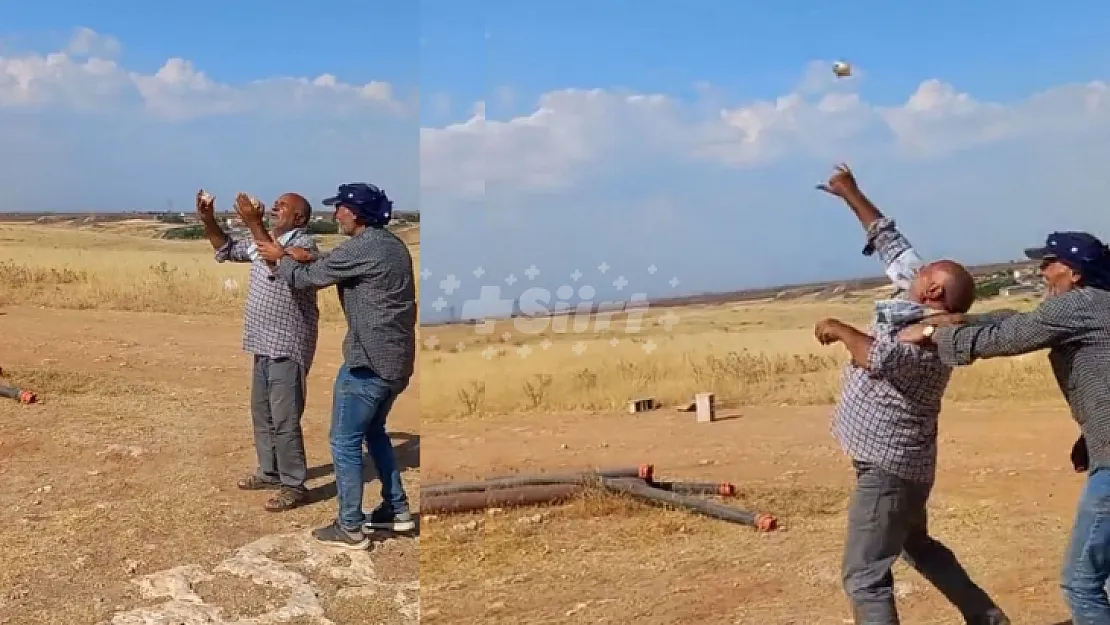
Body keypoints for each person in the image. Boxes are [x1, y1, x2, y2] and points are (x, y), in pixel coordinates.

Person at [813, 164, 1009, 625]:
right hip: (902, 466)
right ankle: (989, 619)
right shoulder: (919, 308)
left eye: (924, 274)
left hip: (889, 470)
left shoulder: (931, 342)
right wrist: (850, 192)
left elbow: (875, 357)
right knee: (917, 547)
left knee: (864, 576)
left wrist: (840, 328)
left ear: (935, 289)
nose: (914, 272)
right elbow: (890, 240)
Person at [898, 231, 1110, 625]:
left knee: (1081, 584)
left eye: (1050, 262)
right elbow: (1025, 320)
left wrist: (932, 333)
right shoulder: (1097, 303)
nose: (1042, 269)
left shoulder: (1079, 305)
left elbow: (1008, 337)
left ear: (1075, 273)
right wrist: (964, 319)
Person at [255, 182, 417, 549]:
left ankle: (350, 526)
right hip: (397, 362)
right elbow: (333, 262)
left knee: (344, 442)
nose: (335, 214)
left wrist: (278, 257)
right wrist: (304, 255)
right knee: (375, 434)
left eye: (340, 209)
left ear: (355, 213)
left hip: (366, 363)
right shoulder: (390, 245)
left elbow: (307, 280)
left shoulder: (362, 247)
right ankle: (397, 510)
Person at [197, 190, 320, 512]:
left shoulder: (304, 244)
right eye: (277, 202)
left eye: (284, 205)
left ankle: (294, 485)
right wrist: (208, 218)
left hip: (287, 343)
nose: (276, 206)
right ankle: (269, 471)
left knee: (285, 418)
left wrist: (253, 222)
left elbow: (272, 255)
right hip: (261, 342)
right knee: (262, 413)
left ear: (300, 218)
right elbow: (225, 247)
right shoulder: (264, 238)